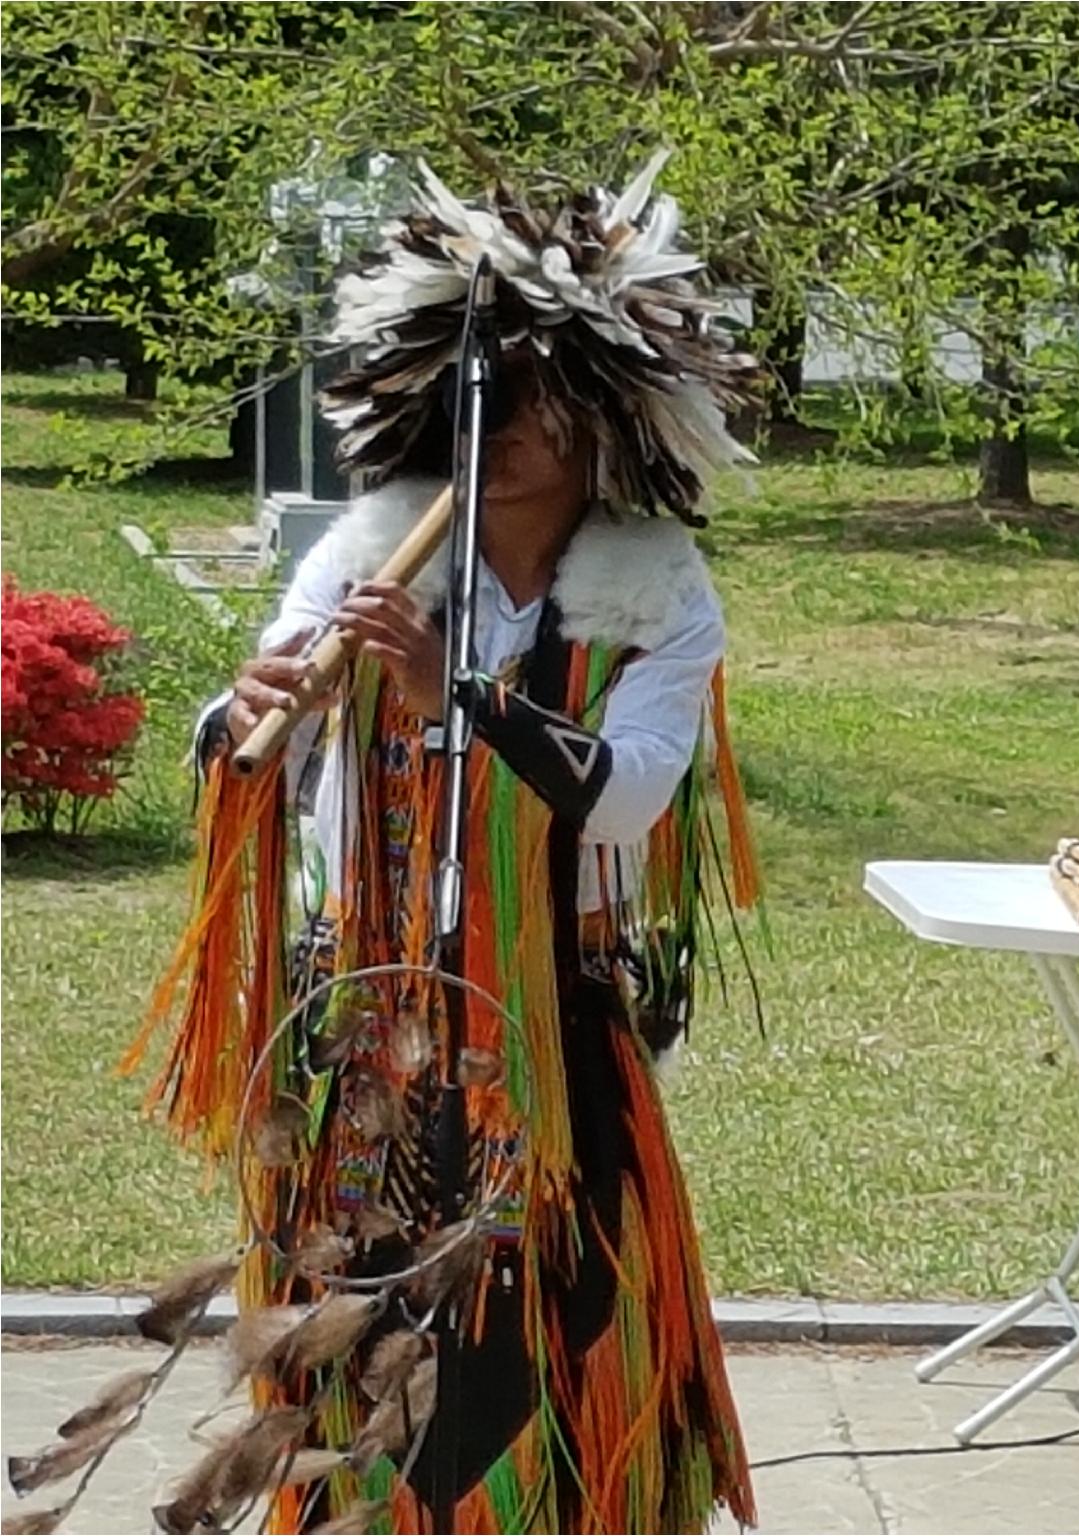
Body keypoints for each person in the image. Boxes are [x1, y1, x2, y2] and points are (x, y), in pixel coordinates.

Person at [127, 158, 760, 1533]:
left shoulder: (655, 599)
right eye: (493, 396)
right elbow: (264, 748)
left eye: (547, 398)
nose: (513, 426)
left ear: (611, 425)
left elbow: (633, 796)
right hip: (362, 1015)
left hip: (558, 1021)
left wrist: (455, 695)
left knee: (559, 1301)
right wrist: (241, 715)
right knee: (357, 1305)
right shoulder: (366, 557)